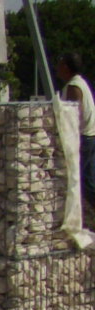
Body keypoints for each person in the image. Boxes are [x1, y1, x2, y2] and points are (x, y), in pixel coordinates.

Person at [56, 52, 95, 206]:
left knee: (85, 183)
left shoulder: (73, 86)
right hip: (90, 135)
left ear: (66, 67)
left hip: (84, 137)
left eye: (59, 64)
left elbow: (74, 113)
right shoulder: (81, 82)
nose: (57, 68)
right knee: (90, 179)